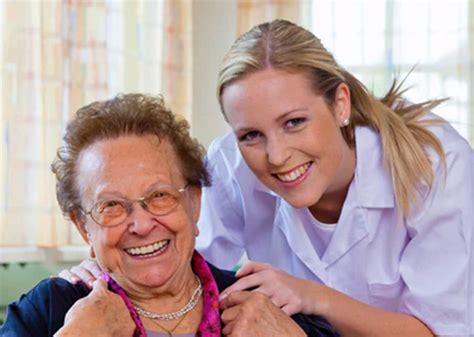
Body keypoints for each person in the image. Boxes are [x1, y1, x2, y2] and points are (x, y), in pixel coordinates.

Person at [59, 20, 473, 336]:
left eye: (294, 122)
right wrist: (106, 263)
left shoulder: (436, 164)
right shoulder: (230, 166)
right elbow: (178, 260)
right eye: (251, 135)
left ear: (340, 103)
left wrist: (314, 297)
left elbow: (442, 331)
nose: (276, 156)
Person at [0, 94, 340, 337]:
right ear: (83, 227)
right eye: (112, 206)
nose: (142, 225)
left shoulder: (266, 305)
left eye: (159, 196)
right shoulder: (48, 312)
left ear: (194, 203)